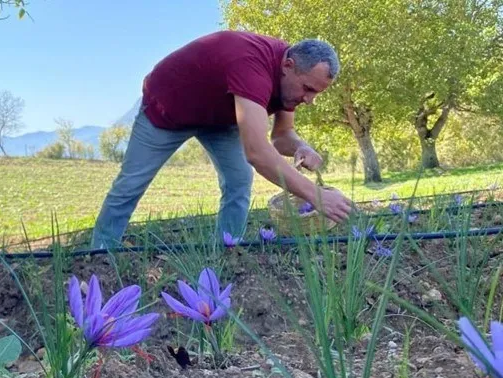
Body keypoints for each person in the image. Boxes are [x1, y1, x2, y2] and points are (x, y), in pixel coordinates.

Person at [90, 30, 353, 249]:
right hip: (168, 110)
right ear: (288, 66)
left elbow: (281, 137)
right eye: (308, 89)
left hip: (220, 118)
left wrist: (301, 146)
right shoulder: (252, 65)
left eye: (315, 93)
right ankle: (100, 253)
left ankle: (229, 247)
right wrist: (314, 195)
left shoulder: (292, 80)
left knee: (239, 179)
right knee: (131, 182)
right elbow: (258, 152)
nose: (309, 100)